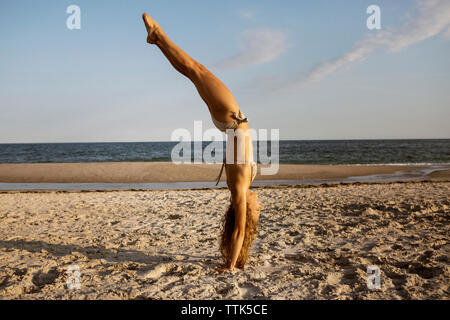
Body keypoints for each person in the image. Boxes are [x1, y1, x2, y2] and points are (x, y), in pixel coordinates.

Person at [142, 13, 262, 271]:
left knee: (196, 70)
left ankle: (158, 35)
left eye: (258, 210)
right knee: (192, 72)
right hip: (228, 122)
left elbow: (240, 231)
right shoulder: (242, 185)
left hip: (230, 119)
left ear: (248, 211)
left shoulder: (240, 191)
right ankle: (157, 39)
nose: (260, 205)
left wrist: (231, 265)